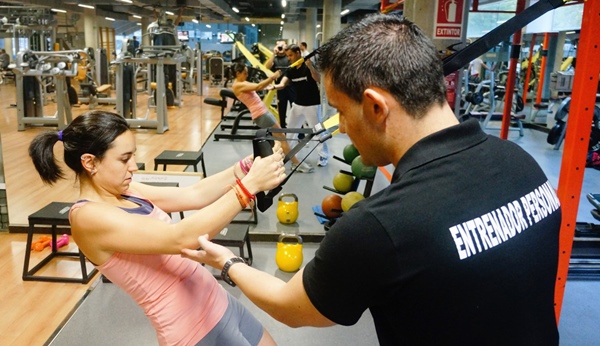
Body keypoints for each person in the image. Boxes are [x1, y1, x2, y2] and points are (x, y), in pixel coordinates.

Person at [182, 14, 561, 345]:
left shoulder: (381, 225)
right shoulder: (521, 162)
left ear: (376, 106)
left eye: (341, 112)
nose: (342, 127)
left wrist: (228, 262)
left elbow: (290, 307)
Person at [28, 111, 285, 346]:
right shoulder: (87, 217)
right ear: (90, 162)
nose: (134, 167)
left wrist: (244, 169)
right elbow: (180, 239)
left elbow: (193, 194)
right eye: (124, 159)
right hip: (192, 331)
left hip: (218, 300)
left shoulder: (126, 191)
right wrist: (248, 187)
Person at [232, 62, 314, 173]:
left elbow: (258, 87)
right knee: (281, 139)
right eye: (245, 73)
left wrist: (271, 84)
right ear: (238, 73)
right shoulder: (237, 85)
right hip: (261, 115)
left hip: (263, 113)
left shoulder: (241, 82)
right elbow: (258, 86)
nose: (247, 75)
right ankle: (297, 164)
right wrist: (272, 77)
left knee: (279, 140)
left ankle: (276, 163)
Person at [274, 44, 329, 167]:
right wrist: (271, 86)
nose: (289, 58)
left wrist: (310, 67)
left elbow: (318, 79)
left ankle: (323, 156)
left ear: (298, 53)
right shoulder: (291, 69)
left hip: (312, 105)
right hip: (297, 105)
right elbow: (282, 84)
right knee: (291, 131)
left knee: (318, 131)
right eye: (288, 56)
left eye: (291, 55)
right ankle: (288, 154)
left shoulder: (307, 66)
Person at [265, 40, 296, 129]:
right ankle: (282, 128)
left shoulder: (289, 57)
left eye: (282, 46)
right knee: (281, 110)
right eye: (279, 46)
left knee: (295, 108)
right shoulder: (275, 58)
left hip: (291, 86)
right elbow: (267, 66)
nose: (280, 48)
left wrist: (286, 51)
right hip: (280, 88)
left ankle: (299, 130)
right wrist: (273, 54)